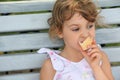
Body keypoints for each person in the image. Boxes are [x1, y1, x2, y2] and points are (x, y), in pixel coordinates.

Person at [38, 0, 114, 80]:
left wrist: (96, 67)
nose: (85, 34)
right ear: (59, 31)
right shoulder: (52, 66)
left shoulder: (100, 58)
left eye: (90, 26)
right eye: (76, 29)